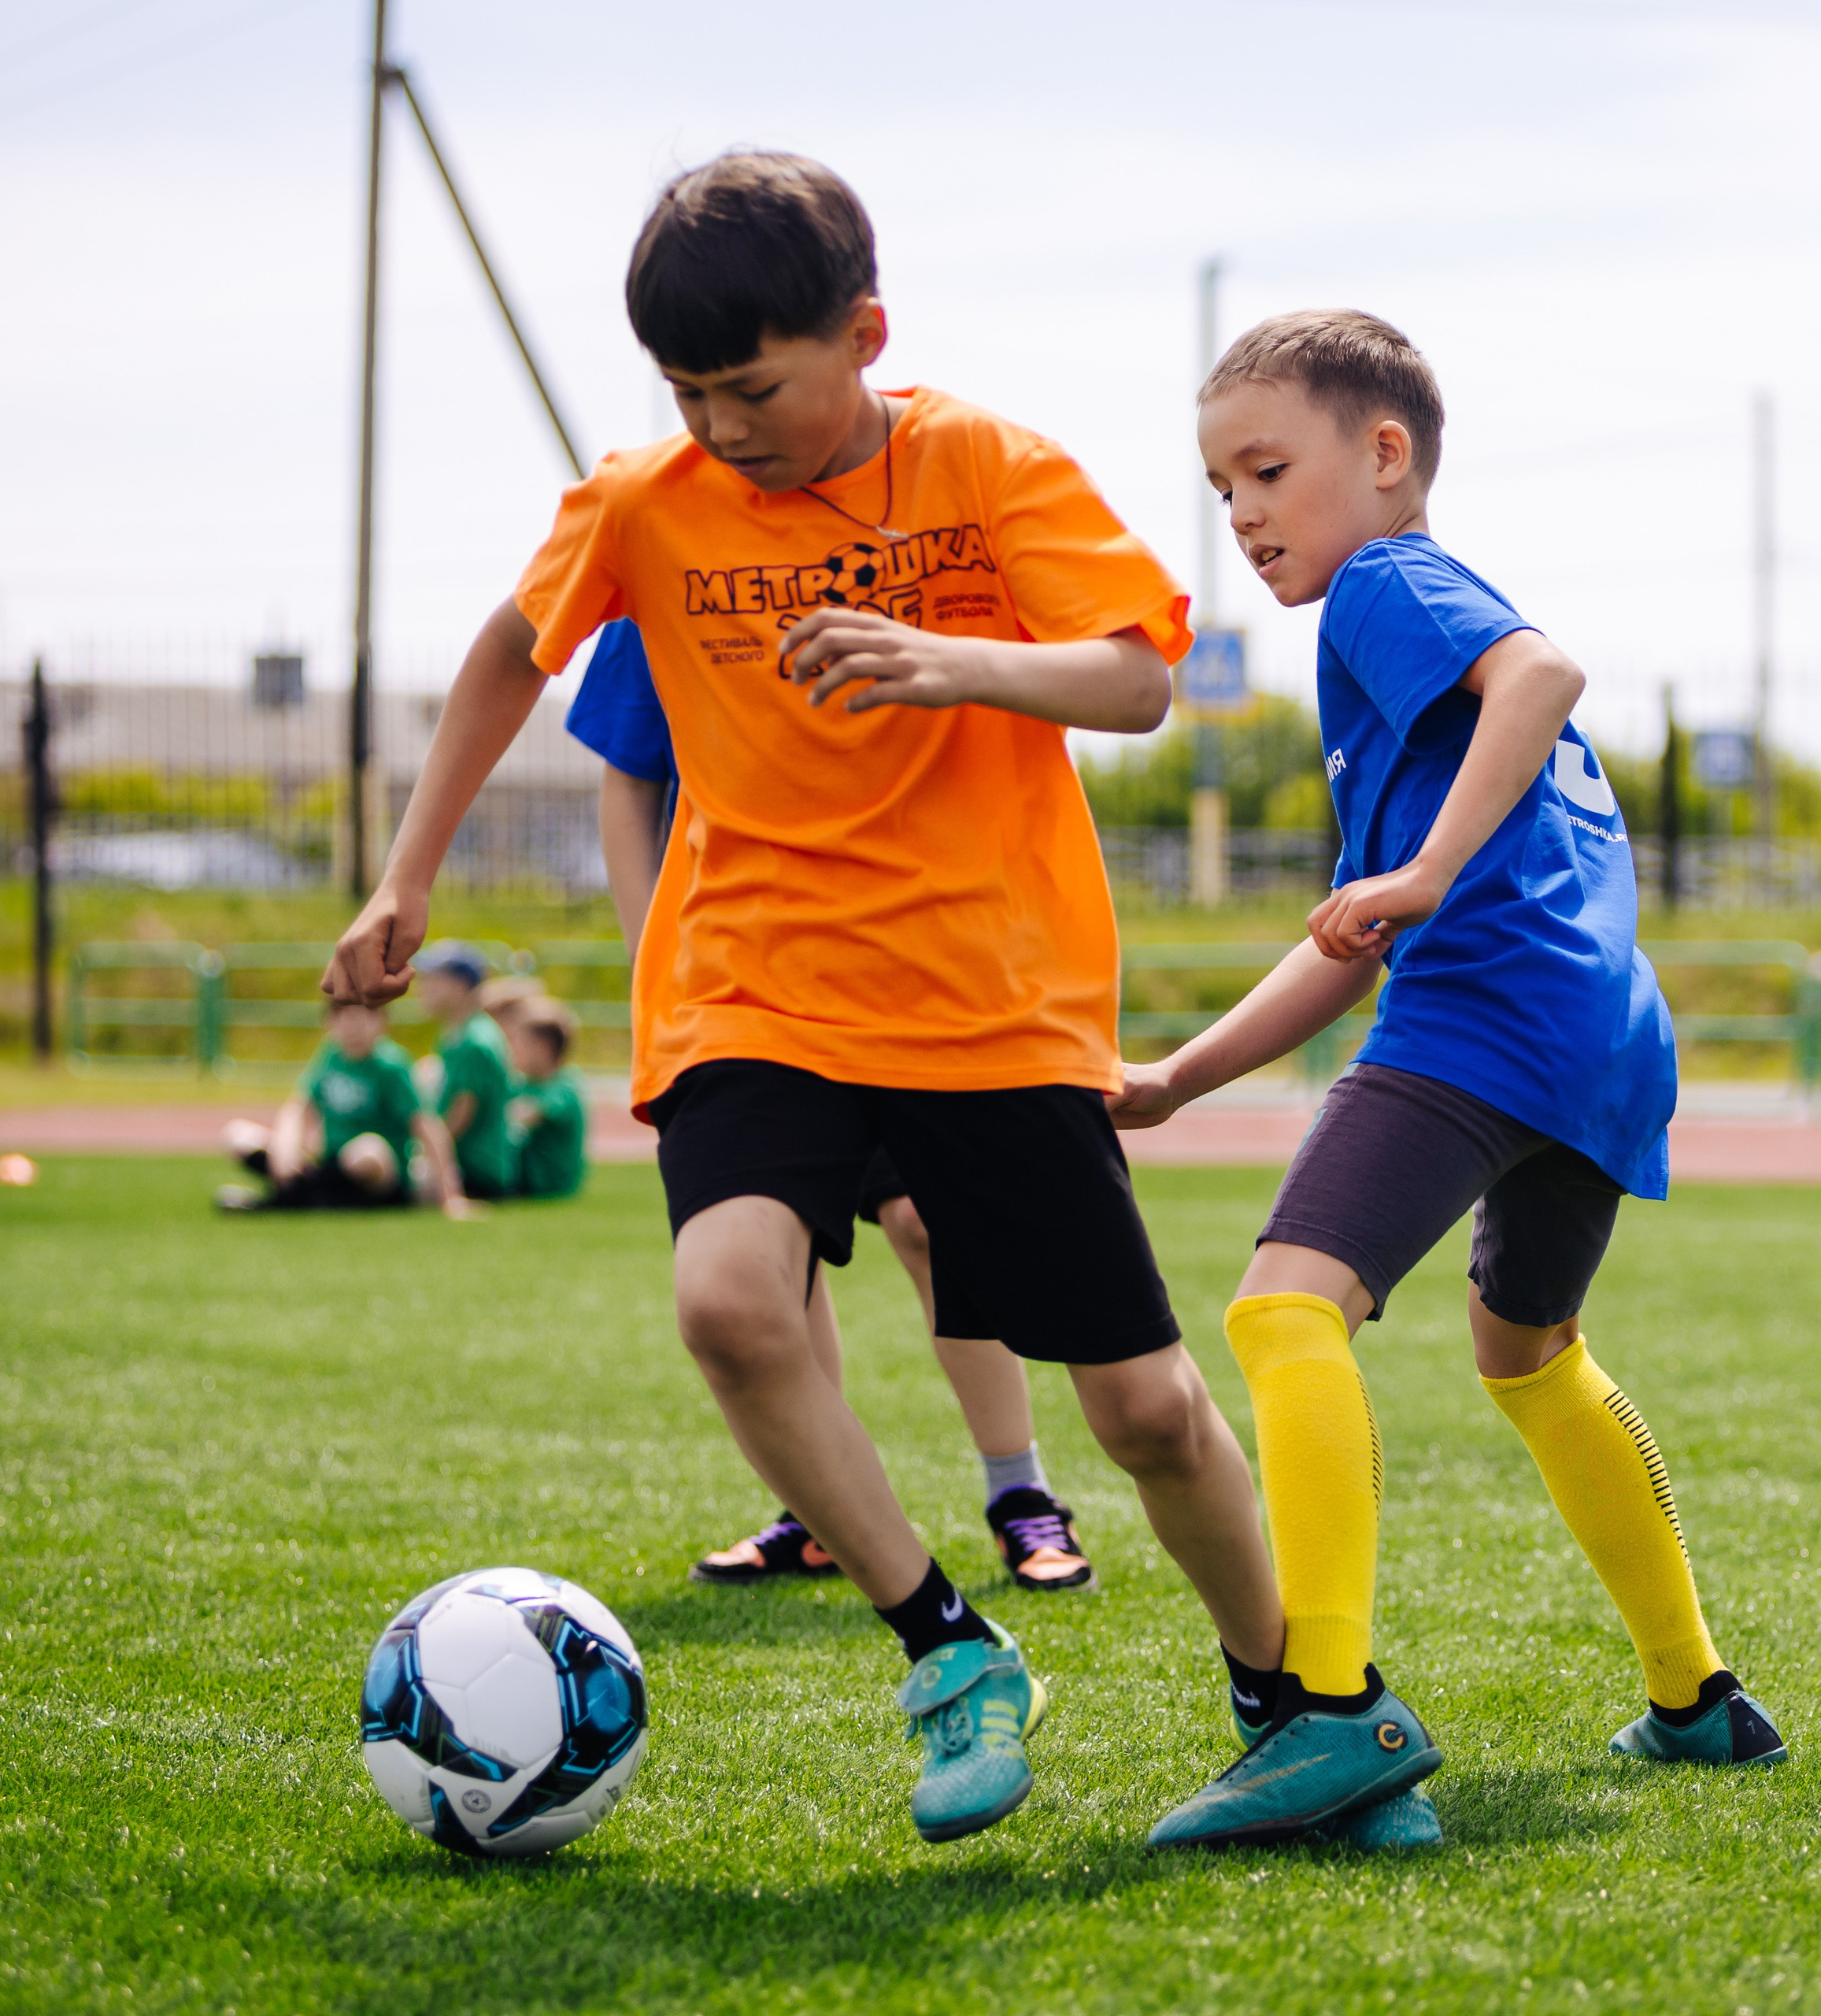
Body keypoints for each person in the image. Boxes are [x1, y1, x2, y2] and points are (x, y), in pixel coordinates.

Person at [324, 150, 1284, 1847]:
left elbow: (1138, 675)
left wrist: (951, 659)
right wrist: (407, 873)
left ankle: (1299, 1695)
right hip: (751, 981)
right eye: (687, 391)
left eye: (751, 386)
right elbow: (503, 654)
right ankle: (944, 1643)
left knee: (1138, 1407)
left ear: (863, 333)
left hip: (986, 999)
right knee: (729, 1302)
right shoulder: (643, 500)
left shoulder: (981, 462)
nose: (719, 424)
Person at [1112, 309, 1788, 1852]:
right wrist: (1181, 1075)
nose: (1243, 517)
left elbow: (1540, 672)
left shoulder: (1382, 584)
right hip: (1602, 1033)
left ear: (1386, 455)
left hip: (1489, 1013)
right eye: (1220, 490)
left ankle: (1333, 1712)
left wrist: (1420, 871)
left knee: (1284, 1307)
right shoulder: (1402, 648)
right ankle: (1695, 1696)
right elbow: (1348, 939)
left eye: (1267, 470)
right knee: (1527, 1355)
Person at [568, 617, 1097, 1593]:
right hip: (740, 991)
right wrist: (660, 968)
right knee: (768, 1254)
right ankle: (815, 1516)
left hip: (904, 964)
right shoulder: (664, 549)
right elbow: (631, 773)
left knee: (927, 1220)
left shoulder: (897, 538)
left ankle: (1020, 1492)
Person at [217, 999, 473, 1217]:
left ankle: (282, 1201)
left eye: (362, 1019)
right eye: (344, 1019)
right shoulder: (331, 1055)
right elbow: (299, 1106)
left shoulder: (392, 1066)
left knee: (368, 1151)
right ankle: (308, 1196)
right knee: (237, 1134)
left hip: (376, 1172)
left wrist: (451, 1196)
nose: (353, 1029)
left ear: (381, 1022)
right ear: (330, 1023)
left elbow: (426, 1126)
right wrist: (287, 1149)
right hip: (329, 1165)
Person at [413, 942, 520, 1202]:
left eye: (433, 980)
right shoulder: (457, 1033)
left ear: (459, 985)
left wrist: (426, 1154)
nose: (422, 988)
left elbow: (461, 1114)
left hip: (476, 1170)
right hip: (465, 1163)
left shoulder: (474, 1041)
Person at [505, 997, 590, 1200]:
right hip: (528, 1180)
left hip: (549, 1184)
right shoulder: (523, 1083)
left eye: (518, 1041)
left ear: (542, 1046)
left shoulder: (564, 1086)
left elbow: (527, 1114)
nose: (511, 1049)